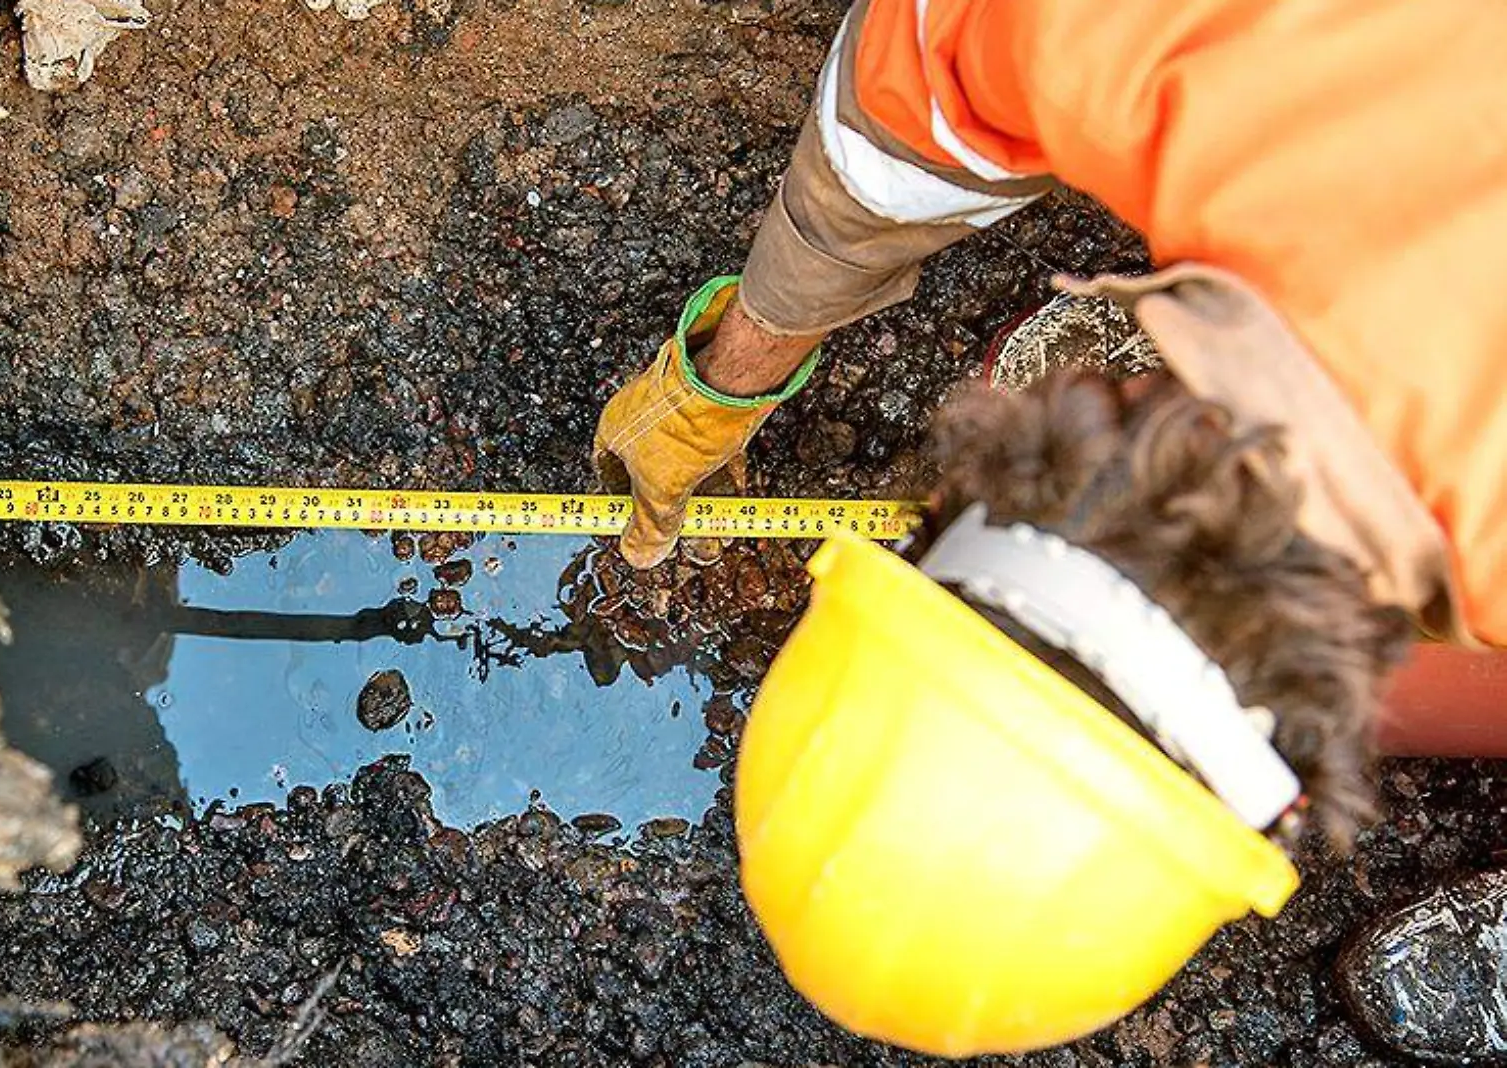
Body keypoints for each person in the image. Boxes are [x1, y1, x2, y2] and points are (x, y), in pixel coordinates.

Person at [592, 0, 1507, 1059]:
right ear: (939, 520)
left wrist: (742, 362)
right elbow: (911, 87)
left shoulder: (1136, 41)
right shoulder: (1115, 40)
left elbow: (914, 99)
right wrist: (728, 373)